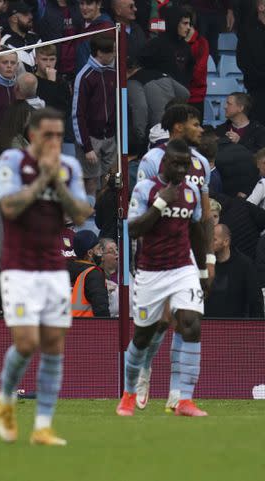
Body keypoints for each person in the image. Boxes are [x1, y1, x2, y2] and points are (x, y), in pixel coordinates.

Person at [0, 107, 92, 446]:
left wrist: (58, 186)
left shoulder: (69, 167)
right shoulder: (11, 161)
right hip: (18, 268)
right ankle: (6, 400)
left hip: (54, 269)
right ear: (33, 134)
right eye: (48, 135)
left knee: (53, 345)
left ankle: (43, 426)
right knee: (26, 342)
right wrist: (40, 181)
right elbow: (9, 207)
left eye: (59, 135)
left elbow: (81, 214)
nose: (54, 141)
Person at [118, 139, 208, 417]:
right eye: (176, 164)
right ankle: (129, 393)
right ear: (164, 164)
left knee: (191, 324)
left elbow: (197, 231)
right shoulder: (146, 188)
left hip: (183, 269)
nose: (181, 169)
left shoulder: (192, 192)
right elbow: (133, 230)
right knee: (143, 337)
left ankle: (184, 400)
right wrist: (159, 204)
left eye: (186, 165)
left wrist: (203, 269)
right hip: (151, 272)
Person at [134, 104, 214, 412]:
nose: (201, 129)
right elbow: (141, 208)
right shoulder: (152, 160)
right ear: (178, 127)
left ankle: (179, 394)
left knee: (188, 321)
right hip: (155, 254)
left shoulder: (202, 164)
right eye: (195, 124)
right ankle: (143, 368)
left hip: (188, 252)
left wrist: (209, 259)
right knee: (160, 323)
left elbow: (204, 217)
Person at [72, 33, 117, 195]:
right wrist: (86, 147)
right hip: (90, 138)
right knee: (90, 179)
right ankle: (90, 216)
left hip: (110, 137)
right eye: (112, 51)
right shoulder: (84, 76)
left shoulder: (112, 73)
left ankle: (105, 211)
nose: (115, 55)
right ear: (99, 53)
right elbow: (77, 114)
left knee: (110, 178)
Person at [205, 223, 264, 318]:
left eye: (214, 240)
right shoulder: (205, 264)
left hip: (235, 326)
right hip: (208, 324)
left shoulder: (244, 265)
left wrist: (256, 328)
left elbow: (255, 300)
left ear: (226, 241)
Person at [68, 230, 110, 317]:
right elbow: (101, 309)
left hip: (69, 326)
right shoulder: (93, 274)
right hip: (88, 327)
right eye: (98, 249)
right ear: (90, 253)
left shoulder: (69, 269)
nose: (101, 253)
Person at [0, 2, 40, 71]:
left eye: (30, 13)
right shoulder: (4, 42)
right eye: (26, 14)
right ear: (14, 19)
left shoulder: (36, 38)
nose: (31, 16)